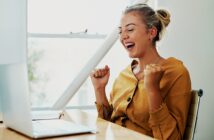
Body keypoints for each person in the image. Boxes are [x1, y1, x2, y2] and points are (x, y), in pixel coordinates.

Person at [90, 3, 191, 140]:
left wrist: (153, 90)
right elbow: (107, 126)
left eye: (130, 29)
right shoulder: (124, 74)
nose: (123, 36)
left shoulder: (176, 73)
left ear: (151, 32)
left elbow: (171, 138)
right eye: (121, 31)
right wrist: (99, 89)